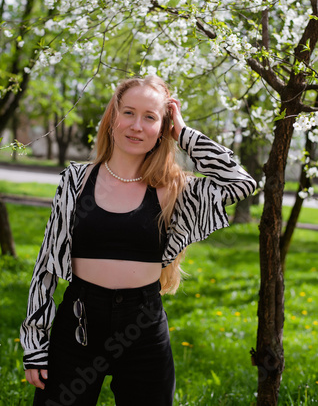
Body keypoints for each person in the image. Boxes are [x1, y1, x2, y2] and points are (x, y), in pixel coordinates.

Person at [20, 75, 256, 406]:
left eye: (150, 117)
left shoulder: (174, 188)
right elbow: (46, 265)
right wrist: (35, 344)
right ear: (113, 117)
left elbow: (240, 182)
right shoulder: (75, 180)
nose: (136, 126)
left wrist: (185, 134)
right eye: (129, 112)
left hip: (143, 326)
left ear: (163, 128)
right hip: (79, 323)